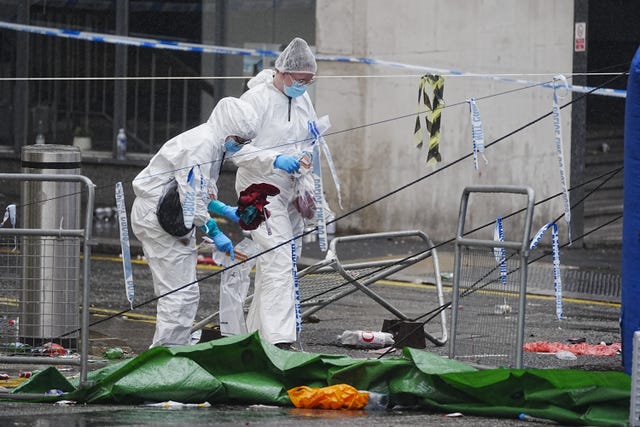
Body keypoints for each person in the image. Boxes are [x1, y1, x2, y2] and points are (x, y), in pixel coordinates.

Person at [130, 97, 260, 348]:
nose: (239, 146)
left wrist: (223, 210)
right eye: (239, 140)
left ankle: (172, 351)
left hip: (170, 215)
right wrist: (214, 230)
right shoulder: (201, 145)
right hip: (159, 218)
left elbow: (197, 191)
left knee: (183, 293)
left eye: (245, 142)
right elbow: (190, 197)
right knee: (179, 295)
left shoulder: (212, 143)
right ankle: (166, 358)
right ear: (227, 128)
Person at [230, 37, 324, 349]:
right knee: (278, 261)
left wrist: (306, 180)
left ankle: (258, 337)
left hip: (291, 189)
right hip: (259, 188)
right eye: (300, 80)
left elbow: (308, 141)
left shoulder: (302, 100)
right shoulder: (255, 100)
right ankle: (280, 341)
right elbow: (235, 151)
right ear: (282, 72)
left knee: (280, 262)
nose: (304, 86)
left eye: (309, 81)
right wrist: (274, 160)